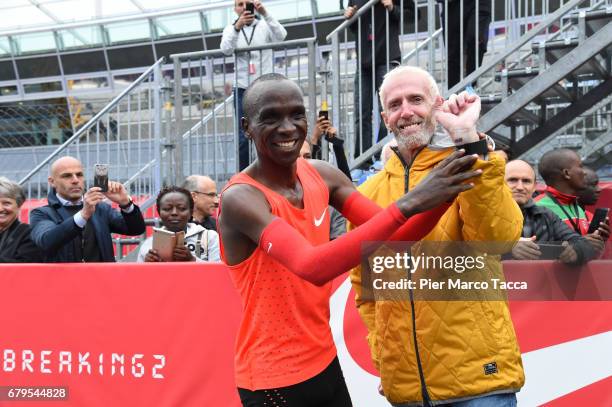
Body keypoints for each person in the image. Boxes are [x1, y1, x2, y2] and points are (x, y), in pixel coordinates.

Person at [217, 73, 481, 406]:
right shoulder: (241, 198)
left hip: (324, 361)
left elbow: (400, 237)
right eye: (270, 118)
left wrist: (465, 153)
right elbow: (312, 266)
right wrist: (411, 201)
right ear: (246, 127)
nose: (287, 128)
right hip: (272, 378)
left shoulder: (322, 174)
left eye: (297, 114)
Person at [348, 65, 525, 406]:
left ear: (437, 105)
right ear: (386, 118)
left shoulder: (466, 162)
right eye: (395, 104)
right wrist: (384, 358)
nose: (406, 111)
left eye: (416, 99)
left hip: (479, 384)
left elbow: (498, 239)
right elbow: (366, 289)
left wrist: (466, 137)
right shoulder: (367, 193)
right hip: (407, 388)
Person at [30, 156, 146, 262]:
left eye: (79, 174)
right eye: (67, 176)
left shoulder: (101, 208)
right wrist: (83, 215)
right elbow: (46, 241)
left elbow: (136, 229)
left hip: (101, 281)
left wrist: (126, 204)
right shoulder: (41, 213)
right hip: (65, 283)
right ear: (52, 182)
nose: (75, 180)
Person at [220, 0, 287, 170]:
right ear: (235, 9)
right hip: (242, 87)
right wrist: (237, 27)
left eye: (247, 3)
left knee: (269, 129)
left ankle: (271, 168)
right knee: (244, 136)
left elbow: (281, 35)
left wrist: (265, 12)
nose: (244, 7)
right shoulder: (231, 29)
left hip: (265, 86)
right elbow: (225, 49)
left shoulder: (264, 25)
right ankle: (245, 173)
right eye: (240, 4)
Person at [505, 160, 595, 265]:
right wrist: (507, 249)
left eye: (526, 181)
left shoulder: (545, 215)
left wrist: (575, 251)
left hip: (540, 279)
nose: (520, 187)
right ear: (499, 183)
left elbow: (582, 244)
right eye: (512, 180)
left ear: (534, 187)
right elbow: (481, 253)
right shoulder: (483, 214)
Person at [345, 0, 401, 159]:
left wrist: (392, 7)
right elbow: (354, 27)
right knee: (361, 113)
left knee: (388, 109)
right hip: (364, 62)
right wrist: (350, 17)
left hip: (387, 57)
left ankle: (383, 154)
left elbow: (412, 16)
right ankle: (363, 160)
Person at [535, 149, 609, 256]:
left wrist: (598, 240)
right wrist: (579, 245)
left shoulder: (577, 207)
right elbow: (536, 251)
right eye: (580, 166)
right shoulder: (537, 207)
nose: (584, 172)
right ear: (567, 173)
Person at [137, 186, 220, 262]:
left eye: (181, 208)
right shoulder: (148, 245)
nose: (174, 213)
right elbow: (137, 277)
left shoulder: (210, 237)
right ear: (159, 212)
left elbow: (219, 273)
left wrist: (192, 260)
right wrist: (146, 266)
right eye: (167, 209)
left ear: (191, 212)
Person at [441, 0, 492, 88]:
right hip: (452, 7)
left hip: (479, 3)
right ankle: (453, 94)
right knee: (453, 54)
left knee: (476, 38)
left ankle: (470, 85)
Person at [0, 177, 41, 263]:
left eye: (6, 203)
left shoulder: (30, 234)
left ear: (19, 206)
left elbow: (23, 267)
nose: (0, 209)